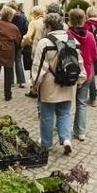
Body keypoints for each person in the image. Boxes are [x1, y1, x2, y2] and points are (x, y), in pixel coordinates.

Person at [31, 12, 85, 155]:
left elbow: (39, 67)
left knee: (47, 115)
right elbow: (79, 63)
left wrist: (35, 85)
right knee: (64, 113)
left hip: (49, 84)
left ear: (48, 26)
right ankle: (66, 139)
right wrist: (80, 80)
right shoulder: (73, 41)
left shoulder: (45, 42)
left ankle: (46, 143)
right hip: (69, 82)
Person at [67, 8, 97, 142]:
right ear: (83, 19)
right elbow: (95, 55)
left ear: (70, 20)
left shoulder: (67, 34)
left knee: (66, 102)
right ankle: (80, 132)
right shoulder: (90, 36)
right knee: (81, 103)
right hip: (87, 72)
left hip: (70, 72)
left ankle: (63, 129)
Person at [22, 6, 45, 98]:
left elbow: (28, 36)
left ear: (34, 14)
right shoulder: (46, 21)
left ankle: (33, 89)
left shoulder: (33, 23)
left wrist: (27, 42)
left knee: (34, 67)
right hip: (47, 47)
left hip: (36, 48)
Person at [8, 0, 29, 89]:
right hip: (19, 42)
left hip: (10, 42)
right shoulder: (21, 17)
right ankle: (21, 81)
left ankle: (11, 81)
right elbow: (25, 30)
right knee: (18, 61)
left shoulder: (9, 18)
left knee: (10, 62)